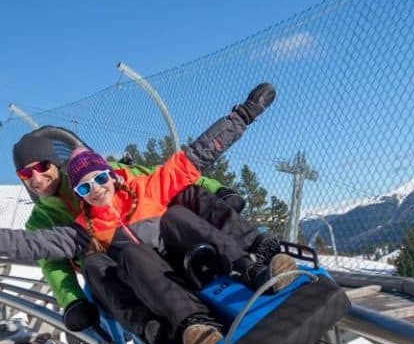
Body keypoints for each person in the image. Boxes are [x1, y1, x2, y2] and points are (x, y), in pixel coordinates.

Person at [2, 83, 297, 344]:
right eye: (85, 188)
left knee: (178, 213)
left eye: (101, 179)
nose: (96, 189)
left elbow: (195, 158)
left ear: (113, 175)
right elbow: (35, 247)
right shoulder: (83, 227)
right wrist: (71, 300)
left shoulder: (142, 188)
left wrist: (244, 115)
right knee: (127, 254)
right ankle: (191, 326)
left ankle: (250, 267)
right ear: (79, 195)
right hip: (141, 275)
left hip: (180, 251)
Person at [12, 95, 249, 315]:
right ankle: (156, 327)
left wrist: (216, 189)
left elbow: (164, 176)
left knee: (184, 200)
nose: (36, 178)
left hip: (153, 240)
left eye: (42, 167)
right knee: (98, 263)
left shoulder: (100, 173)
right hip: (118, 267)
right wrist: (72, 301)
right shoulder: (40, 221)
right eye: (26, 173)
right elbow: (52, 262)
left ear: (54, 163)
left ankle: (249, 254)